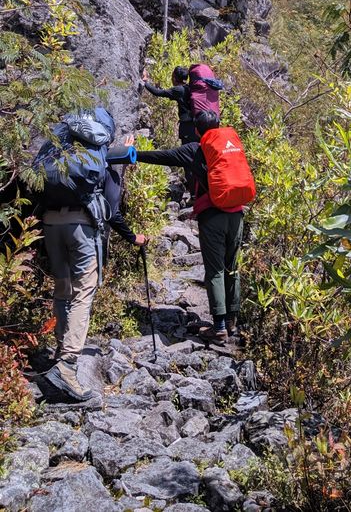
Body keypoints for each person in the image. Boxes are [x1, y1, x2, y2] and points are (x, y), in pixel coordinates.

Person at [40, 118, 147, 401]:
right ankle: (68, 364)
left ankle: (60, 355)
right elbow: (111, 209)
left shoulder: (60, 148)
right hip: (80, 227)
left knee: (62, 289)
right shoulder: (98, 159)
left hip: (50, 224)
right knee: (84, 291)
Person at [136, 110, 243, 344]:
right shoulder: (230, 146)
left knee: (215, 270)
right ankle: (233, 322)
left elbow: (164, 156)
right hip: (237, 214)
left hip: (212, 216)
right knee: (232, 268)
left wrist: (132, 154)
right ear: (219, 125)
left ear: (197, 130)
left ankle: (219, 327)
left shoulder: (195, 149)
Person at [142, 66, 195, 145]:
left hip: (187, 127)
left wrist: (144, 81)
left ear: (174, 77)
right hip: (194, 126)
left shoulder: (178, 90)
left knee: (187, 152)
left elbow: (157, 92)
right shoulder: (188, 87)